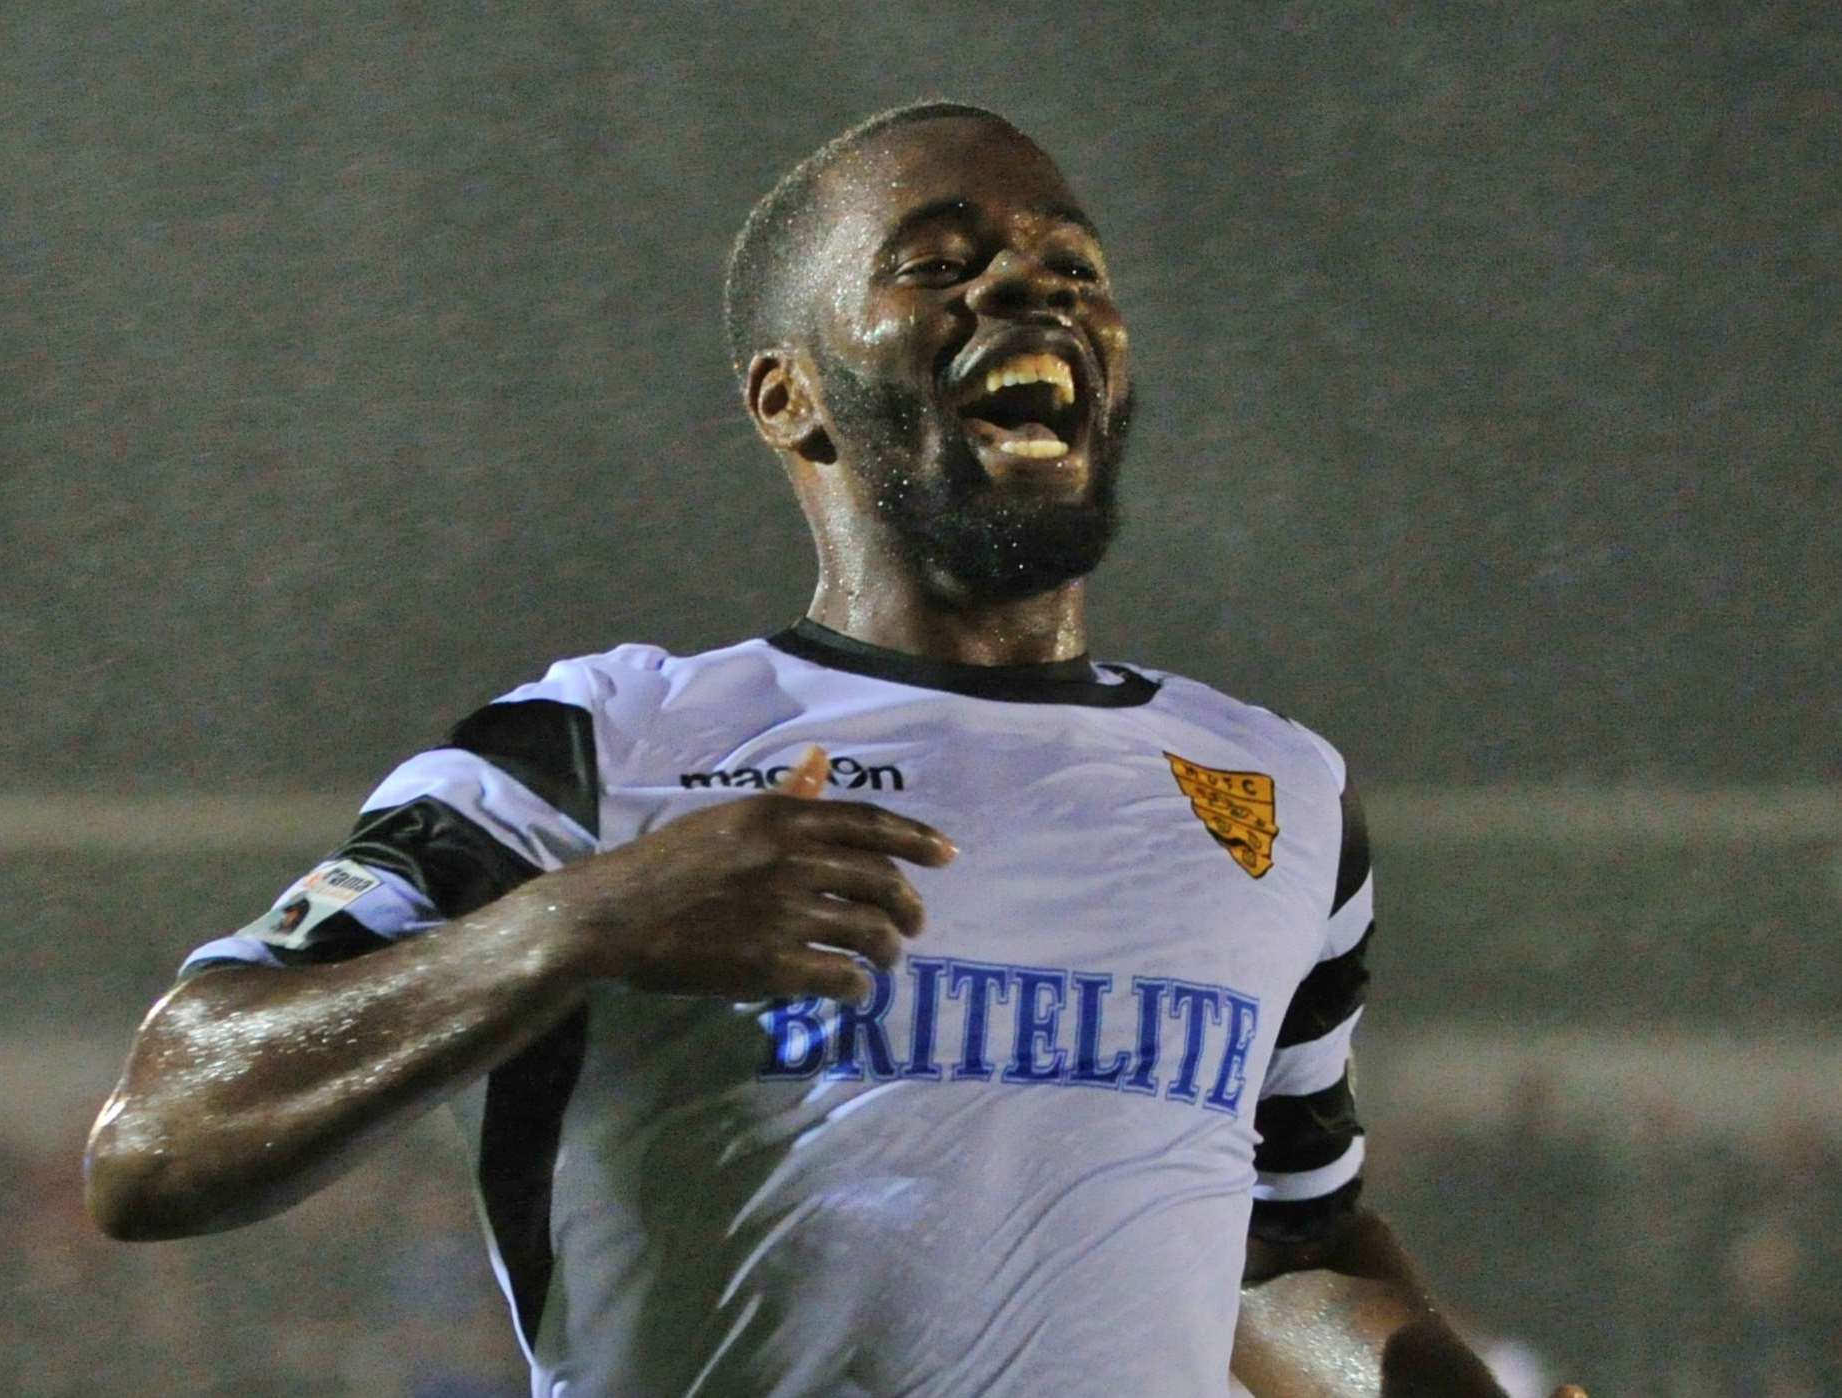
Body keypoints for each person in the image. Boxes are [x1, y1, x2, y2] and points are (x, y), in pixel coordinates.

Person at [86, 100, 1583, 1398]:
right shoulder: (601, 746)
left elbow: (1283, 1229)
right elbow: (157, 1135)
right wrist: (579, 923)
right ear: (787, 395)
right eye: (940, 262)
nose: (1029, 289)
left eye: (1075, 268)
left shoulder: (1279, 795)